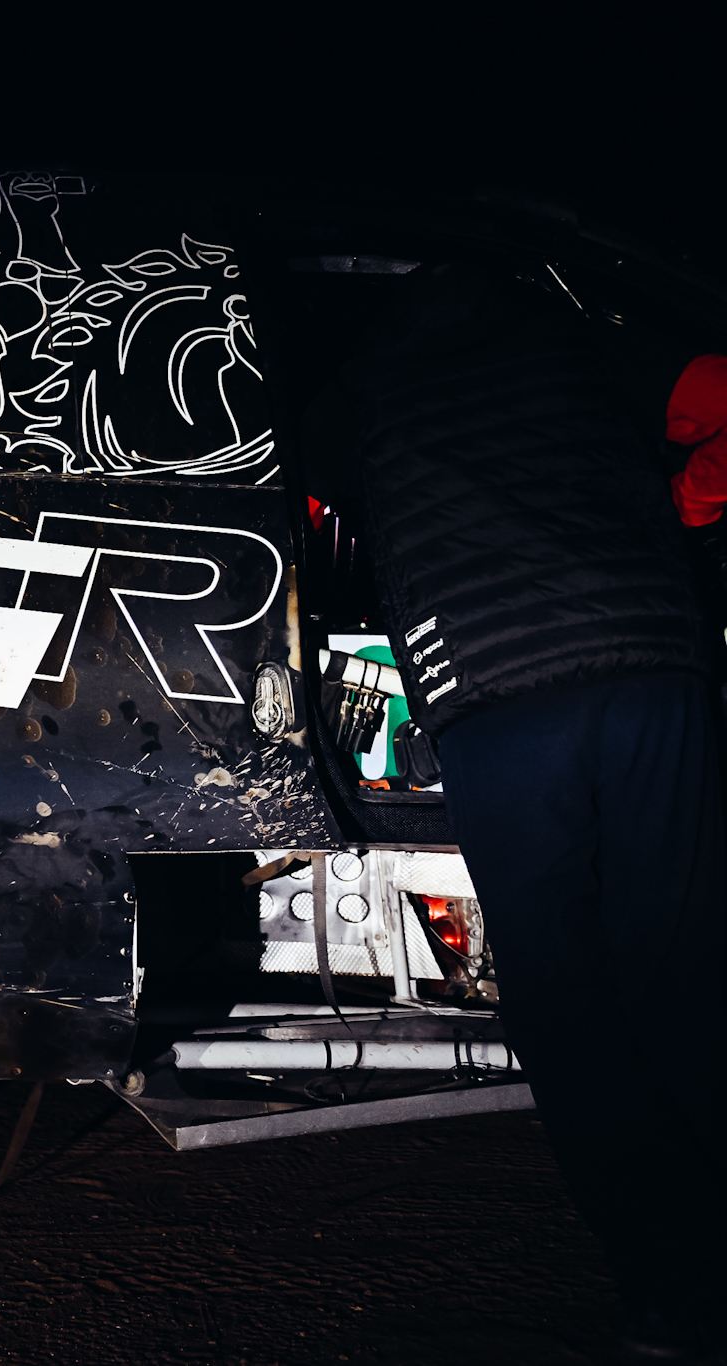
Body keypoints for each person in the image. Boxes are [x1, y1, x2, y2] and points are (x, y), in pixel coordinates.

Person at [312, 263, 727, 1363]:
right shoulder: (587, 333)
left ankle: (678, 1293)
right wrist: (678, 507)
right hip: (644, 665)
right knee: (688, 970)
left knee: (567, 1004)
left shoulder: (354, 388)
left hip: (496, 695)